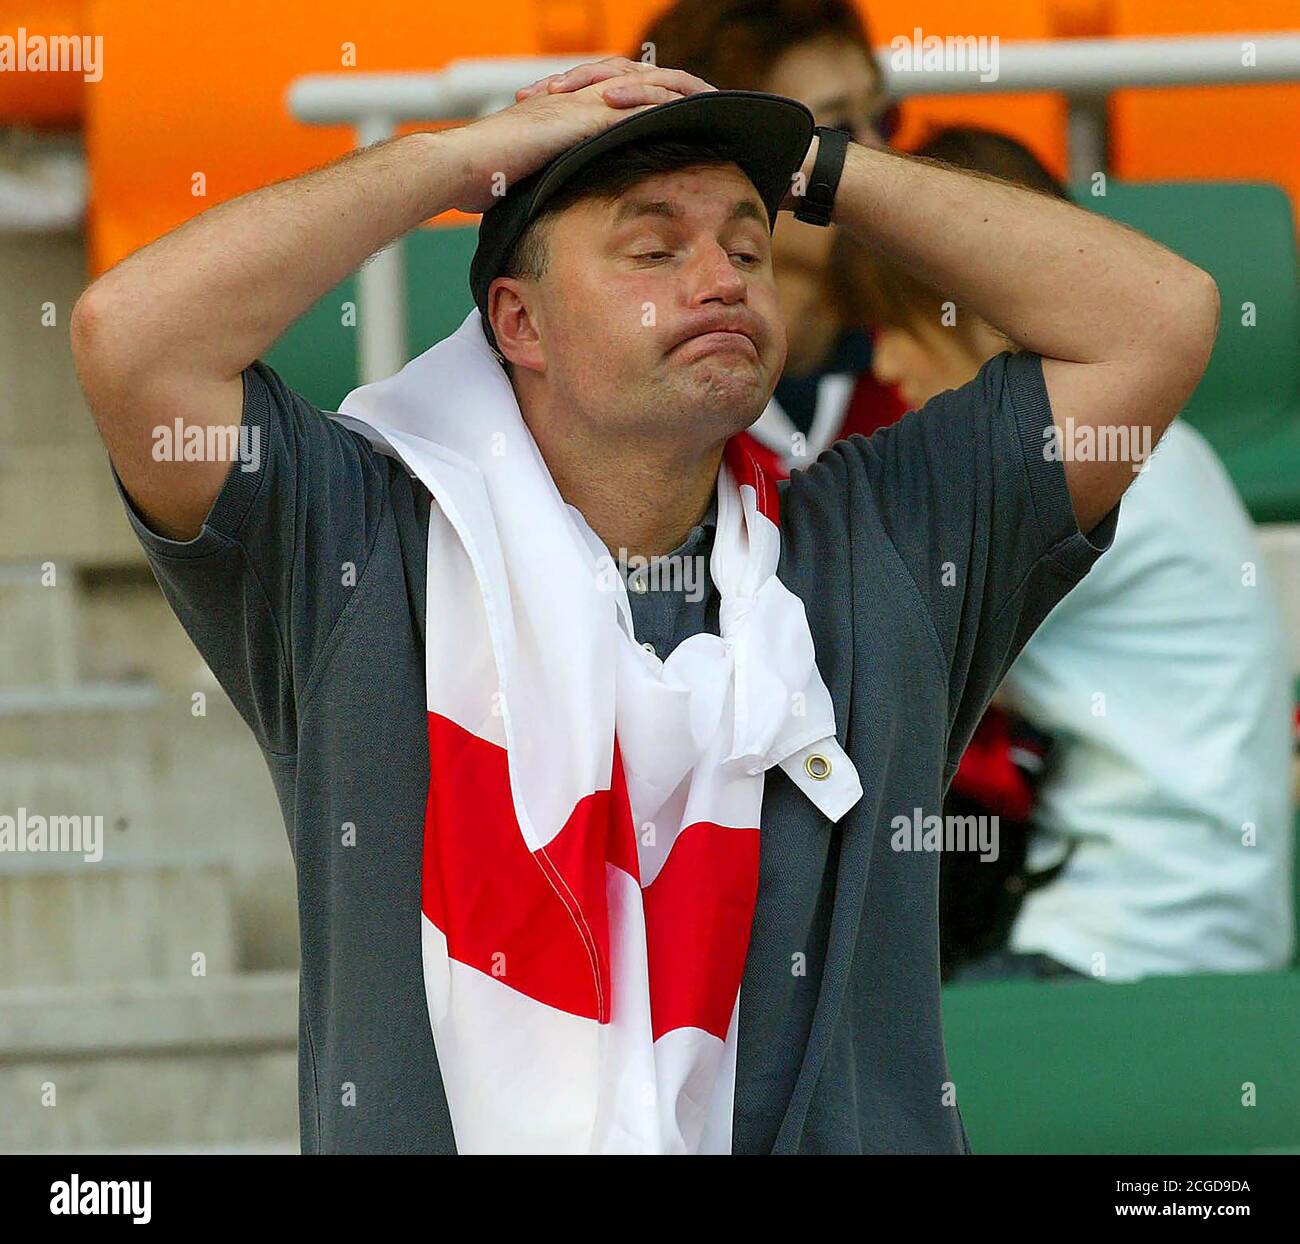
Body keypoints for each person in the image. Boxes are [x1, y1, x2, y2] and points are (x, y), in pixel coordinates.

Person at [70, 59, 1218, 1153]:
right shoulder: (358, 546)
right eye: (654, 249)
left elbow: (1158, 316)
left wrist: (815, 164)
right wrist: (459, 159)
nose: (721, 278)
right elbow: (134, 338)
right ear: (518, 324)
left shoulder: (884, 541)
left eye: (748, 246)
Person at [846, 126, 1293, 983]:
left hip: (1123, 942)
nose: (891, 364)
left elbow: (858, 645)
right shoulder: (1157, 449)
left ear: (983, 312)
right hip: (1185, 922)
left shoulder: (1082, 474)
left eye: (900, 327)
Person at [636, 0, 906, 476]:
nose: (883, 158)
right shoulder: (644, 392)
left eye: (885, 122)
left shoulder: (925, 358)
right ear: (714, 159)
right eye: (838, 132)